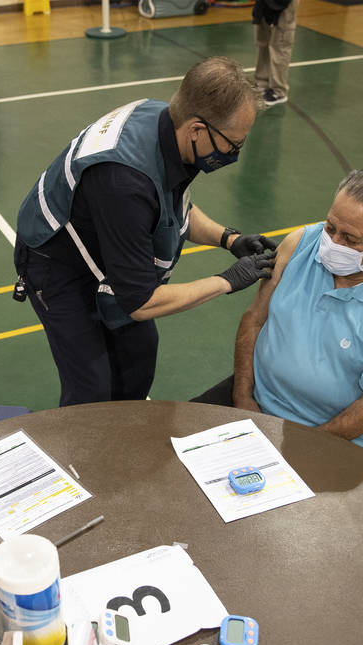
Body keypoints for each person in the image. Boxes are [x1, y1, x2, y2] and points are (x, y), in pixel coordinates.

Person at [14, 56, 276, 407]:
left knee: (138, 354)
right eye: (233, 143)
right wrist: (228, 280)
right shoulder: (124, 182)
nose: (235, 153)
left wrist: (229, 239)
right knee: (91, 384)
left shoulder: (165, 121)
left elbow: (171, 208)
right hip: (56, 264)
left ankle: (124, 440)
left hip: (106, 240)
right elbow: (139, 302)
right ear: (198, 129)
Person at [195, 169, 363, 450]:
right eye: (330, 228)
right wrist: (243, 399)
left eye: (350, 238)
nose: (333, 244)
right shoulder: (299, 244)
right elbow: (254, 319)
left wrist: (299, 446)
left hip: (330, 437)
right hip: (256, 400)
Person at [253, 0, 299, 106]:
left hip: (284, 4)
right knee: (263, 42)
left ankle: (279, 91)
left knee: (281, 44)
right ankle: (262, 84)